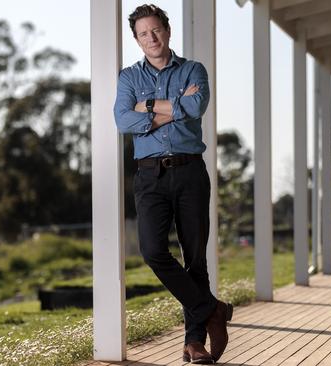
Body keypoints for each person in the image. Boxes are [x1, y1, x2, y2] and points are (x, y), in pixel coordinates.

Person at [113, 4, 232, 364]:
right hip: (149, 175)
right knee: (152, 251)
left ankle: (194, 344)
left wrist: (147, 108)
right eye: (143, 34)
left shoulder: (194, 69)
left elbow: (196, 106)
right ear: (136, 39)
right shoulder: (129, 77)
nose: (151, 38)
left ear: (168, 29)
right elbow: (122, 120)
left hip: (190, 172)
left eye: (156, 30)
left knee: (195, 258)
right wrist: (174, 105)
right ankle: (211, 309)